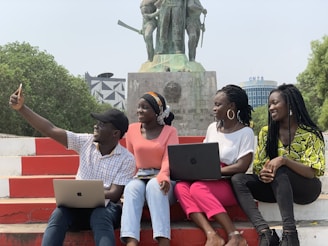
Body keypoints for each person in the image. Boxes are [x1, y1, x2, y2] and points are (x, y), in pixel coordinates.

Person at [9, 84, 136, 246]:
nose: (96, 125)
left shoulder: (126, 158)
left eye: (102, 124)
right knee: (59, 214)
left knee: (100, 215)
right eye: (97, 122)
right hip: (78, 208)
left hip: (108, 211)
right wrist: (22, 108)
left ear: (115, 133)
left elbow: (114, 194)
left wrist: (83, 192)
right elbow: (50, 130)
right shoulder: (85, 141)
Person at [231, 84, 325, 246]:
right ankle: (265, 232)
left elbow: (312, 171)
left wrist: (284, 160)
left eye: (275, 103)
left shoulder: (310, 134)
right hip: (276, 186)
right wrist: (263, 174)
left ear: (290, 105)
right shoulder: (266, 132)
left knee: (281, 168)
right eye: (269, 105)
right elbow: (259, 167)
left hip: (306, 188)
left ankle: (290, 234)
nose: (271, 108)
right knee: (238, 179)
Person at [174, 85, 254, 246]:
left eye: (218, 104)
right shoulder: (212, 128)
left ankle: (235, 235)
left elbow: (242, 166)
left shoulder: (246, 132)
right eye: (214, 104)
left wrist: (215, 172)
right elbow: (203, 154)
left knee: (197, 188)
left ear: (231, 106)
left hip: (227, 182)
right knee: (180, 187)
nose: (214, 108)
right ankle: (211, 234)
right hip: (206, 176)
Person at [120, 91, 178, 246]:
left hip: (163, 177)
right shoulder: (131, 130)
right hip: (140, 176)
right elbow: (131, 159)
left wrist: (164, 176)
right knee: (131, 188)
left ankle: (163, 239)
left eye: (144, 107)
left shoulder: (170, 131)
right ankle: (131, 241)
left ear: (156, 111)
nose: (139, 110)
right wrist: (125, 182)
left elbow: (168, 158)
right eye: (139, 107)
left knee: (154, 185)